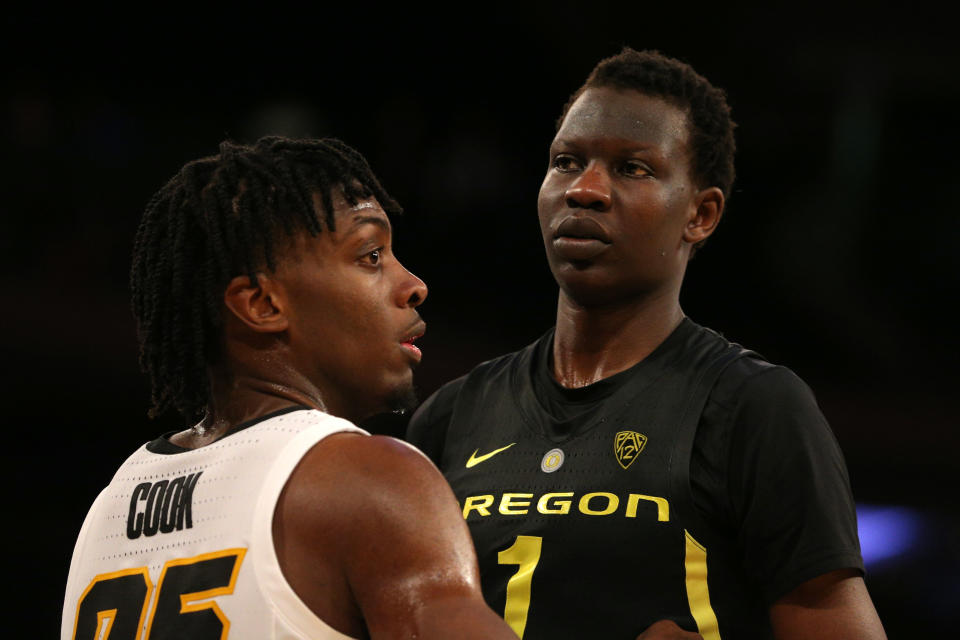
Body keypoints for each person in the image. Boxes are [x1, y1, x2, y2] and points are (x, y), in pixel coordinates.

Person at [406, 49, 887, 639]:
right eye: (566, 162)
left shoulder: (754, 407)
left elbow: (833, 620)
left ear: (701, 214)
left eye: (632, 168)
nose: (585, 190)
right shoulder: (453, 416)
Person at [61, 136, 517, 640]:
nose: (412, 285)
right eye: (370, 256)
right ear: (262, 305)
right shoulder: (368, 479)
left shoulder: (108, 510)